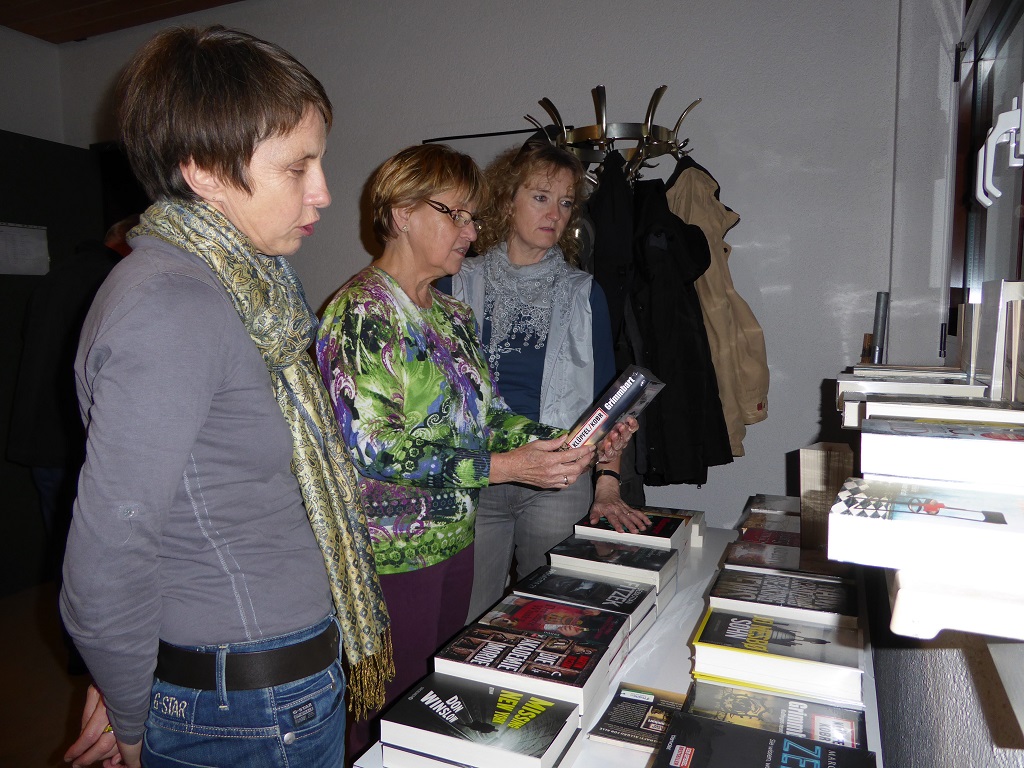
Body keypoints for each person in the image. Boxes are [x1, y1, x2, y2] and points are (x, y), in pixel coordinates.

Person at [59, 26, 391, 768]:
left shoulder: (246, 290)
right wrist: (129, 707)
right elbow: (109, 552)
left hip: (270, 682)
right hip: (242, 703)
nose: (324, 192)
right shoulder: (171, 307)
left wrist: (122, 681)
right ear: (205, 172)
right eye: (297, 166)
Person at [315, 143, 632, 756]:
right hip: (391, 555)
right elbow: (373, 452)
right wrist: (506, 467)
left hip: (454, 539)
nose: (471, 229)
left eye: (473, 216)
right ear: (402, 212)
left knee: (437, 698)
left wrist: (553, 443)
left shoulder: (451, 315)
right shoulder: (361, 313)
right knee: (382, 715)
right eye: (456, 214)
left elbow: (482, 417)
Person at [448, 138, 651, 623]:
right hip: (480, 473)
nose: (554, 213)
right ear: (506, 200)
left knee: (553, 616)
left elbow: (608, 401)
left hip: (557, 479)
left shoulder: (585, 292)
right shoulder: (456, 281)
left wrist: (607, 483)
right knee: (468, 618)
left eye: (565, 203)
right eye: (540, 197)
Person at [7, 216, 136, 580]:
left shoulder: (56, 277)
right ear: (129, 243)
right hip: (77, 436)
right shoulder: (112, 281)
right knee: (96, 565)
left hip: (40, 432)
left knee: (65, 556)